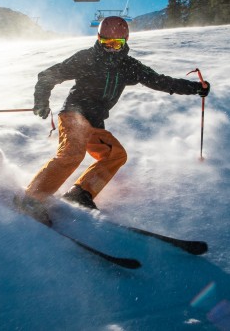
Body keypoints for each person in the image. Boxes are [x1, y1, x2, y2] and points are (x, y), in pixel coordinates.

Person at [15, 16, 210, 225]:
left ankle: (81, 193)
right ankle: (32, 199)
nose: (111, 49)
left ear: (125, 42)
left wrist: (194, 88)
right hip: (74, 114)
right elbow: (48, 75)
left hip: (95, 122)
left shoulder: (128, 66)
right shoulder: (87, 58)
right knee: (72, 154)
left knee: (115, 155)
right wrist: (41, 100)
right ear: (99, 39)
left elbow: (158, 80)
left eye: (117, 44)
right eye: (106, 43)